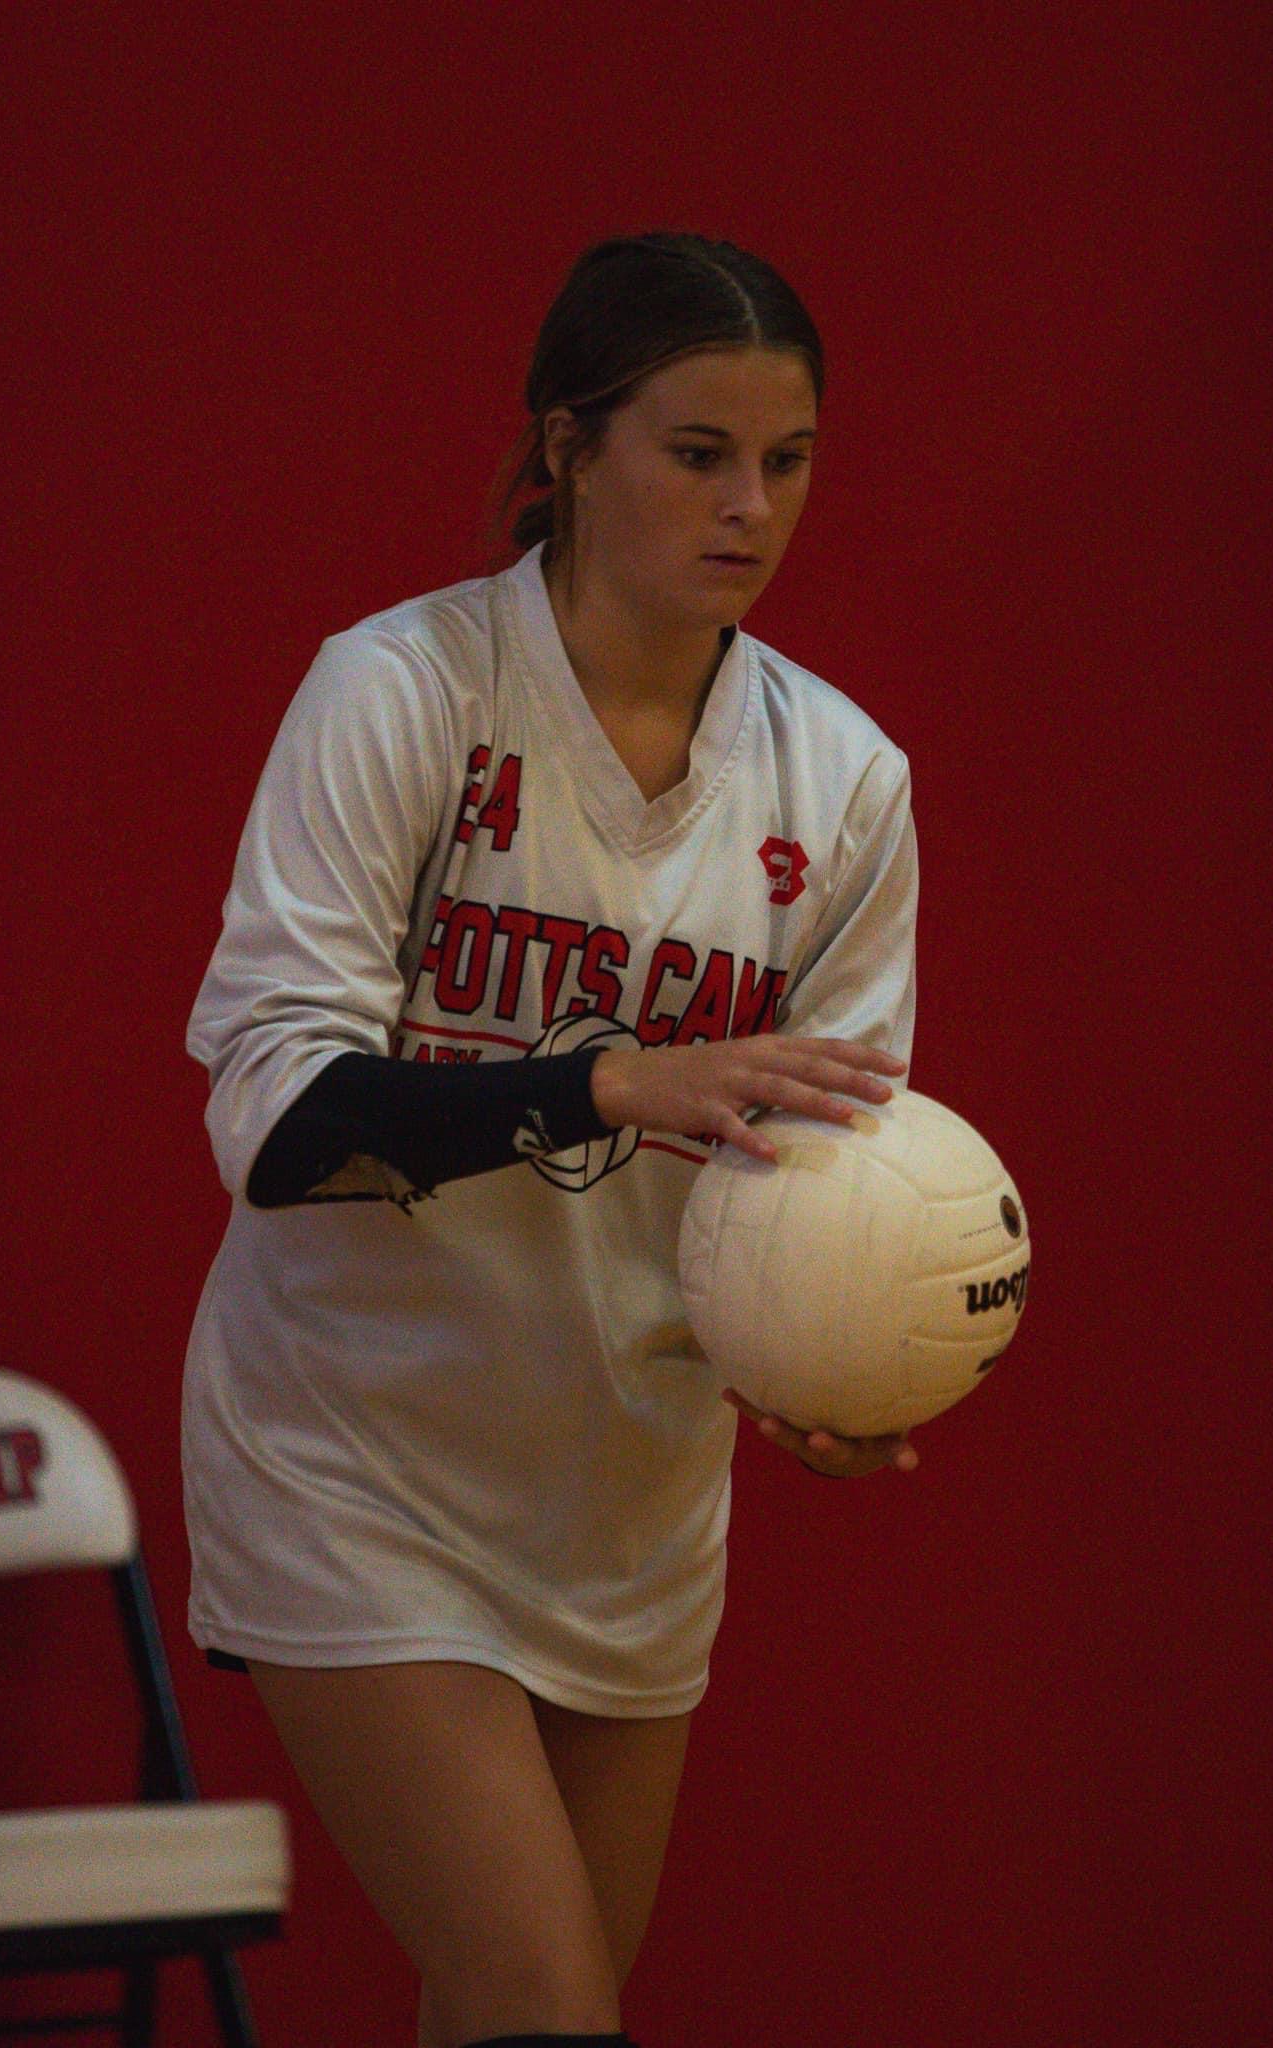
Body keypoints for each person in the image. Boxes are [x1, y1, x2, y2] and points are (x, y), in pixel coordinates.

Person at [181, 230, 919, 2048]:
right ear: (570, 447)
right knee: (544, 2011)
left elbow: (832, 1174)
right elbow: (275, 1126)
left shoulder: (847, 785)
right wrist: (598, 1080)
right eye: (696, 452)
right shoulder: (404, 694)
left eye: (789, 459)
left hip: (629, 1502)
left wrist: (833, 1359)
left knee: (507, 2014)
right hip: (354, 1455)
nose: (751, 505)